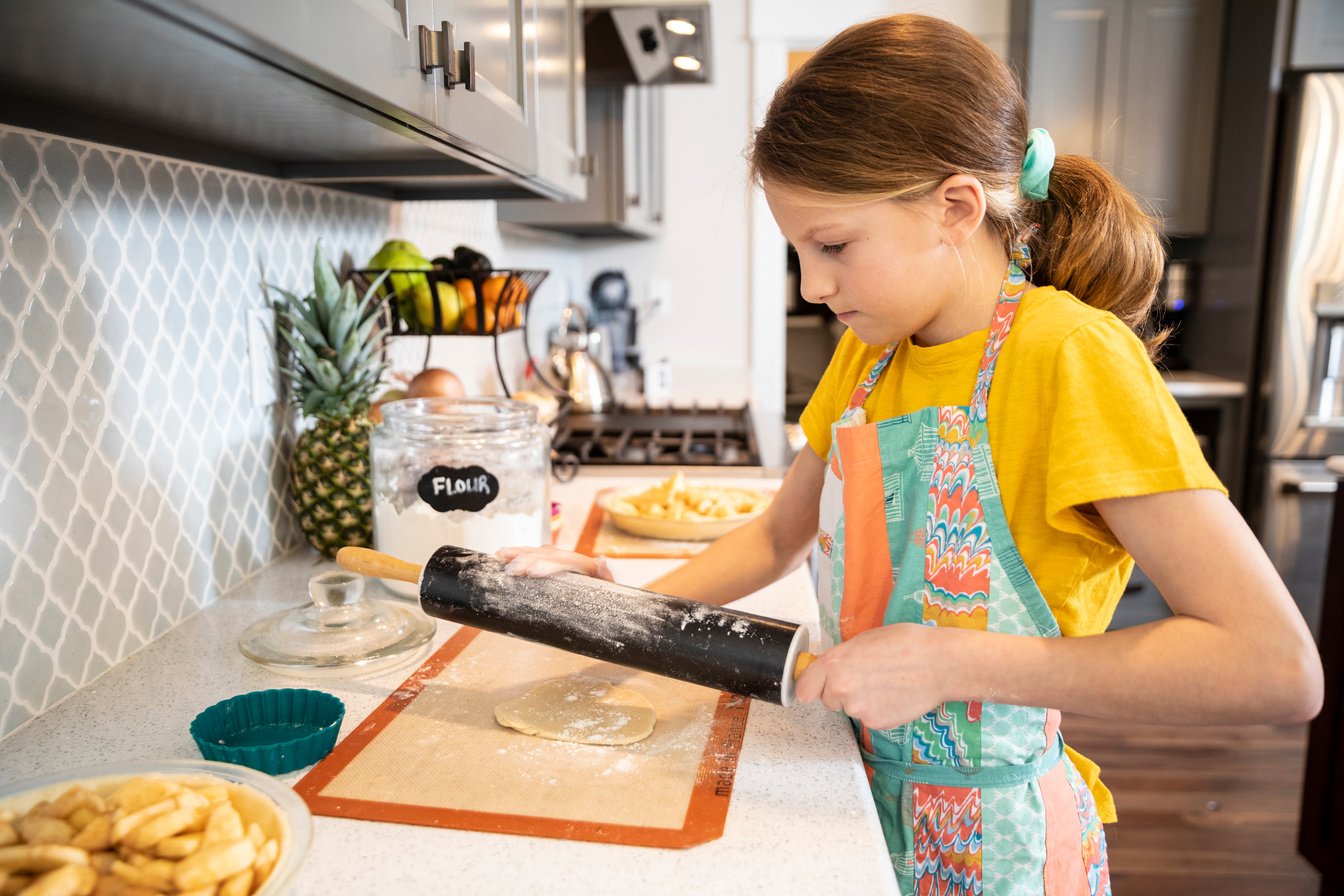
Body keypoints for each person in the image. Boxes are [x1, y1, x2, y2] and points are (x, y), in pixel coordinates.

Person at [499, 14, 1323, 894]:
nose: (814, 287)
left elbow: (1274, 667)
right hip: (846, 797)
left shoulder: (1070, 359)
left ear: (955, 207)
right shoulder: (874, 349)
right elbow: (774, 537)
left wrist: (949, 661)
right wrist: (614, 618)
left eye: (835, 246)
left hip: (991, 845)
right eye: (799, 252)